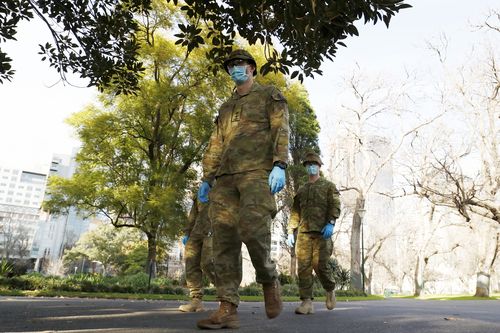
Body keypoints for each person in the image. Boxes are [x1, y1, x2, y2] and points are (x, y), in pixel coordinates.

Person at [196, 49, 289, 329]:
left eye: (240, 64)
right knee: (223, 242)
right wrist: (207, 177)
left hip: (257, 172)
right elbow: (215, 142)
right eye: (231, 66)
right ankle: (227, 308)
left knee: (253, 229)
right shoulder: (225, 107)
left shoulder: (268, 95)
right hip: (225, 178)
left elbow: (281, 127)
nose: (235, 69)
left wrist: (280, 163)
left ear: (251, 68)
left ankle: (269, 279)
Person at [286, 151, 341, 315]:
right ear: (305, 167)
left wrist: (331, 222)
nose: (311, 167)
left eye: (314, 164)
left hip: (322, 232)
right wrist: (290, 231)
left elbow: (335, 205)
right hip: (303, 233)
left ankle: (330, 288)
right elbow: (295, 211)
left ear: (319, 166)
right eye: (308, 165)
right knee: (303, 268)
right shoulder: (302, 189)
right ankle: (306, 302)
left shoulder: (328, 186)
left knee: (320, 266)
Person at [178, 197, 216, 312]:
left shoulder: (225, 184)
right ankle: (196, 300)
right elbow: (193, 213)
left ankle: (226, 295)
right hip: (197, 230)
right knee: (191, 260)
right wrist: (187, 232)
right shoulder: (202, 190)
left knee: (207, 262)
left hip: (215, 229)